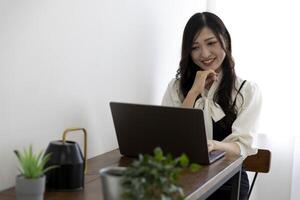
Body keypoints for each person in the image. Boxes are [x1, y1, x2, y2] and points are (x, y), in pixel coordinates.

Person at [161, 12, 262, 200]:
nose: (205, 54)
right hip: (182, 180)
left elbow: (242, 146)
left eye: (211, 43)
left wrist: (214, 145)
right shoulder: (176, 88)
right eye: (195, 47)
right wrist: (193, 91)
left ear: (226, 41)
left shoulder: (246, 91)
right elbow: (170, 136)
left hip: (229, 183)